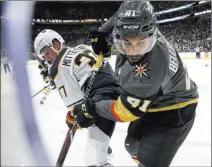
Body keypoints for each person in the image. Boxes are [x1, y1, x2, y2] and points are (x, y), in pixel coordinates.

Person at [72, 1, 199, 167]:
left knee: (148, 161)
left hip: (176, 109)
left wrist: (92, 108)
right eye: (126, 42)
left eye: (141, 43)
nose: (133, 51)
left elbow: (124, 112)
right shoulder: (143, 24)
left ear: (151, 34)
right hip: (157, 96)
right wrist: (102, 32)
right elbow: (122, 14)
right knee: (132, 144)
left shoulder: (150, 72)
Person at [34, 29, 122, 167]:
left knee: (93, 159)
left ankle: (101, 146)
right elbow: (104, 63)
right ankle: (104, 145)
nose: (47, 58)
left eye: (47, 53)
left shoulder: (57, 68)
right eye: (44, 56)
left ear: (56, 45)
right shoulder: (83, 47)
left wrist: (72, 115)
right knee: (89, 118)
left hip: (100, 99)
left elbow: (77, 105)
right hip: (115, 90)